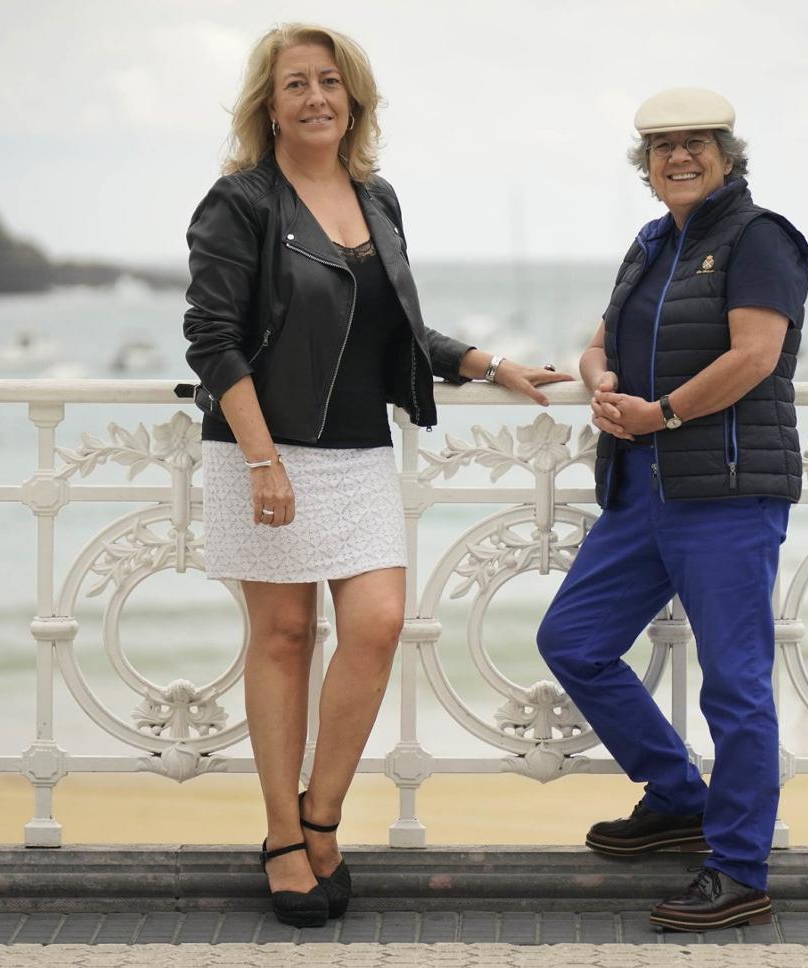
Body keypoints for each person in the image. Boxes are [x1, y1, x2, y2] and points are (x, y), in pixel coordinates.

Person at [182, 23, 570, 928]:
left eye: (331, 82)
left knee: (379, 624)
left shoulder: (377, 195)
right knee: (281, 638)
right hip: (261, 448)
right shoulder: (238, 202)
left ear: (352, 99)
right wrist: (263, 459)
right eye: (295, 85)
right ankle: (285, 840)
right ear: (268, 107)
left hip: (358, 451)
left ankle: (324, 814)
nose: (316, 98)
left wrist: (489, 364)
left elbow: (399, 332)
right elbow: (213, 341)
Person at [536, 87, 808, 932]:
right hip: (641, 487)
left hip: (726, 490)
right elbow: (599, 344)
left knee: (734, 686)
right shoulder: (654, 241)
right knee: (573, 642)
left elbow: (756, 353)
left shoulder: (760, 236)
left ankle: (738, 870)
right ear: (645, 165)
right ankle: (675, 795)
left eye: (696, 143)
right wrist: (601, 383)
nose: (679, 158)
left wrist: (664, 413)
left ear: (729, 155)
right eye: (662, 147)